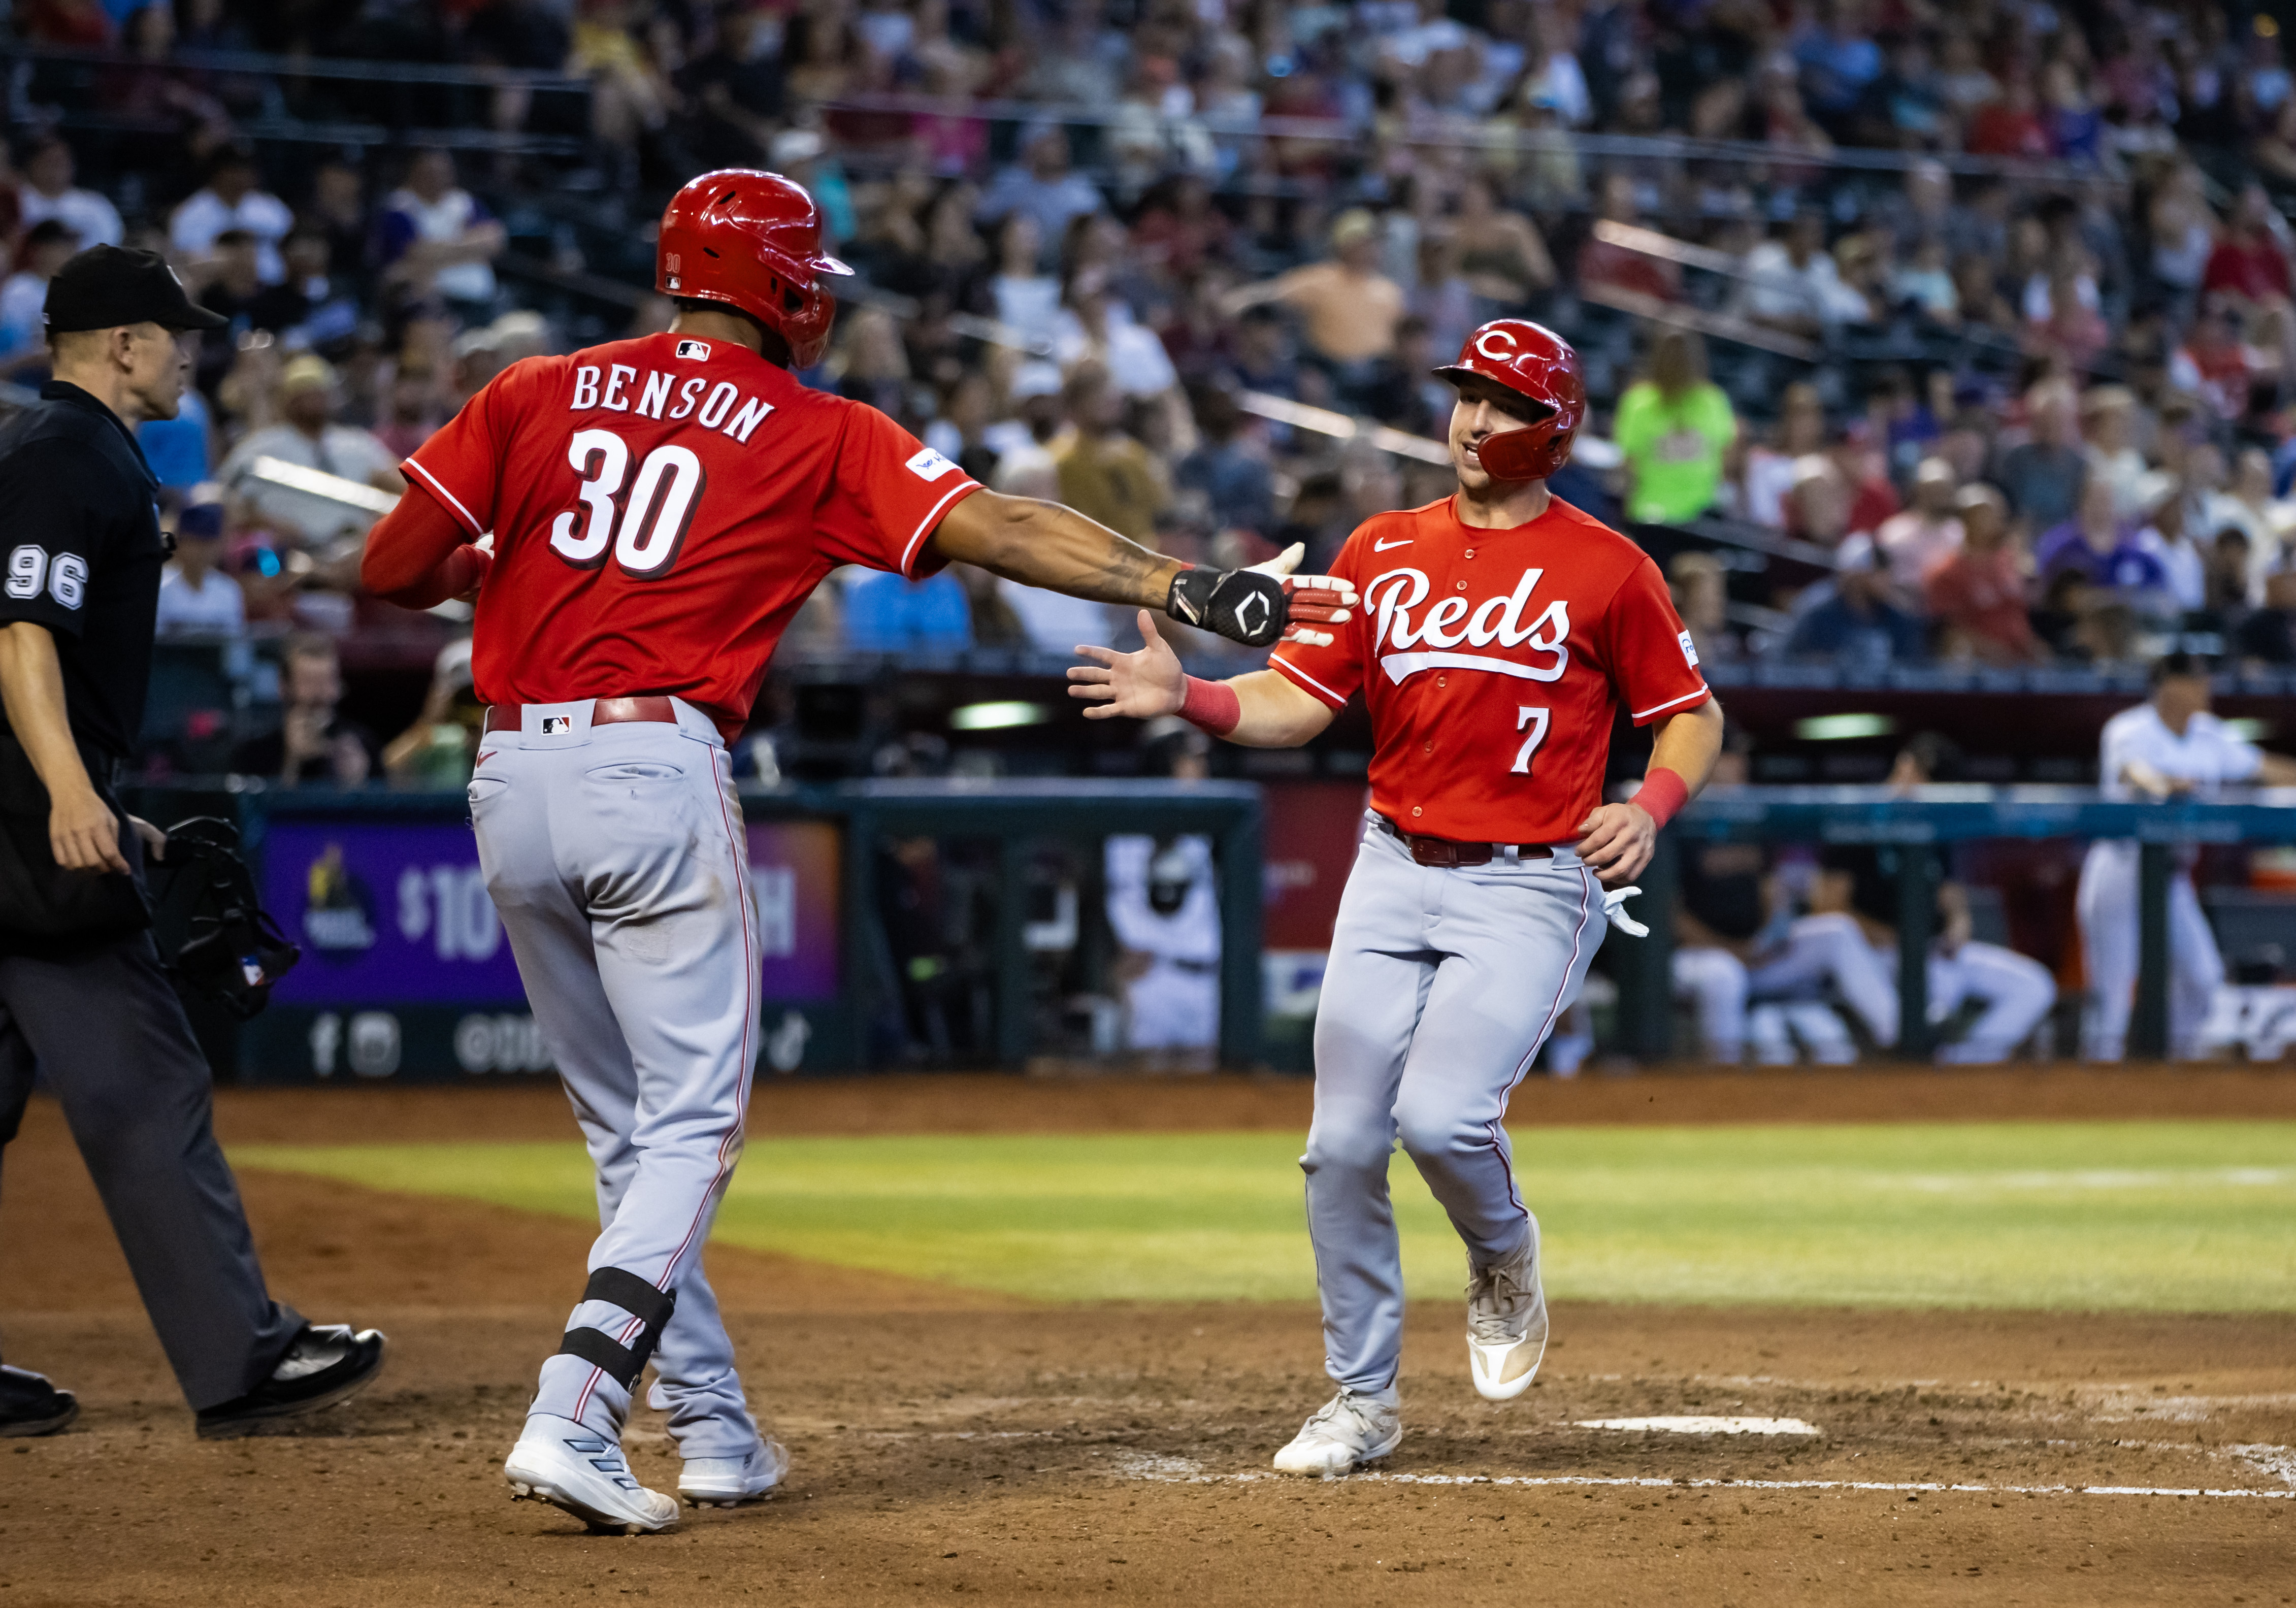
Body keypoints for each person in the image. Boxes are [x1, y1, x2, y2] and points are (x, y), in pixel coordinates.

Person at [357, 169, 1351, 1534]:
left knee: (626, 1129)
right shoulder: (811, 424)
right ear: (782, 285)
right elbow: (998, 523)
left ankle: (710, 1424)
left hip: (507, 768)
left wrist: (494, 565)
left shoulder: (535, 385)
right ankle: (577, 1406)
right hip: (652, 760)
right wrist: (1177, 583)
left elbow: (389, 566)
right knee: (694, 1121)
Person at [1068, 318, 1724, 1474]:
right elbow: (1294, 703)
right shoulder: (1381, 548)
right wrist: (1191, 700)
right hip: (1391, 862)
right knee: (1337, 1147)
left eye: (1505, 402)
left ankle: (1502, 1251)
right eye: (1467, 396)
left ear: (1555, 426)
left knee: (1442, 1118)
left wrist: (1653, 804)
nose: (1474, 420)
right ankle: (1362, 1398)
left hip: (1529, 882)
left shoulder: (1611, 567)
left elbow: (1692, 710)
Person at [0, 245, 384, 1439]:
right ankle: (240, 1355)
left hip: (21, 799)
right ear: (123, 344)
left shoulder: (37, 445)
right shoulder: (72, 454)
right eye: (178, 335)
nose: (191, 353)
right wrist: (71, 797)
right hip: (25, 819)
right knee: (147, 1074)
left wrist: (97, 796)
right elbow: (21, 636)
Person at [2077, 653, 2296, 1060]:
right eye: (2194, 681)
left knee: (2203, 979)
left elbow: (2264, 767)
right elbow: (2134, 771)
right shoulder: (2130, 727)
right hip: (2122, 868)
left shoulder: (2208, 733)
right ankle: (2094, 1093)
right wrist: (2165, 784)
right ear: (2168, 686)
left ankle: (2169, 1071)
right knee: (2112, 992)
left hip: (2172, 876)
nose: (2205, 689)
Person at [1104, 720, 1221, 1060]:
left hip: (1204, 977)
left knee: (1211, 1089)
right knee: (1148, 1088)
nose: (1201, 768)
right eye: (1189, 758)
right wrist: (1119, 957)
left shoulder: (1211, 827)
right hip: (1155, 977)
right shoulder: (1129, 833)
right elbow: (1113, 902)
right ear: (1164, 762)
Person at [216, 355, 403, 549]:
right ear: (288, 399)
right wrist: (265, 524)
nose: (314, 398)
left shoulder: (358, 443)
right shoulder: (261, 446)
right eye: (304, 391)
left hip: (354, 549)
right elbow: (225, 497)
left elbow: (404, 486)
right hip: (288, 552)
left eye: (319, 391)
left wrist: (379, 524)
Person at [1610, 329, 1735, 524]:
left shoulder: (1714, 401)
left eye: (1684, 354)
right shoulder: (1637, 402)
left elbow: (1727, 457)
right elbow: (1629, 463)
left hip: (1703, 514)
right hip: (1651, 513)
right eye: (1671, 353)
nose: (1678, 361)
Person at [228, 633, 376, 786]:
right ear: (283, 686)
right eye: (308, 682)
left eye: (328, 681)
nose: (320, 694)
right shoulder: (254, 752)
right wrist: (292, 761)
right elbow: (252, 808)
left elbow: (384, 806)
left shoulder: (365, 744)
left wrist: (358, 781)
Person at [153, 490, 244, 637]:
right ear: (179, 544)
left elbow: (234, 648)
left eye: (207, 543)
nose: (200, 551)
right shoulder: (161, 589)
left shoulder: (229, 591)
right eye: (193, 542)